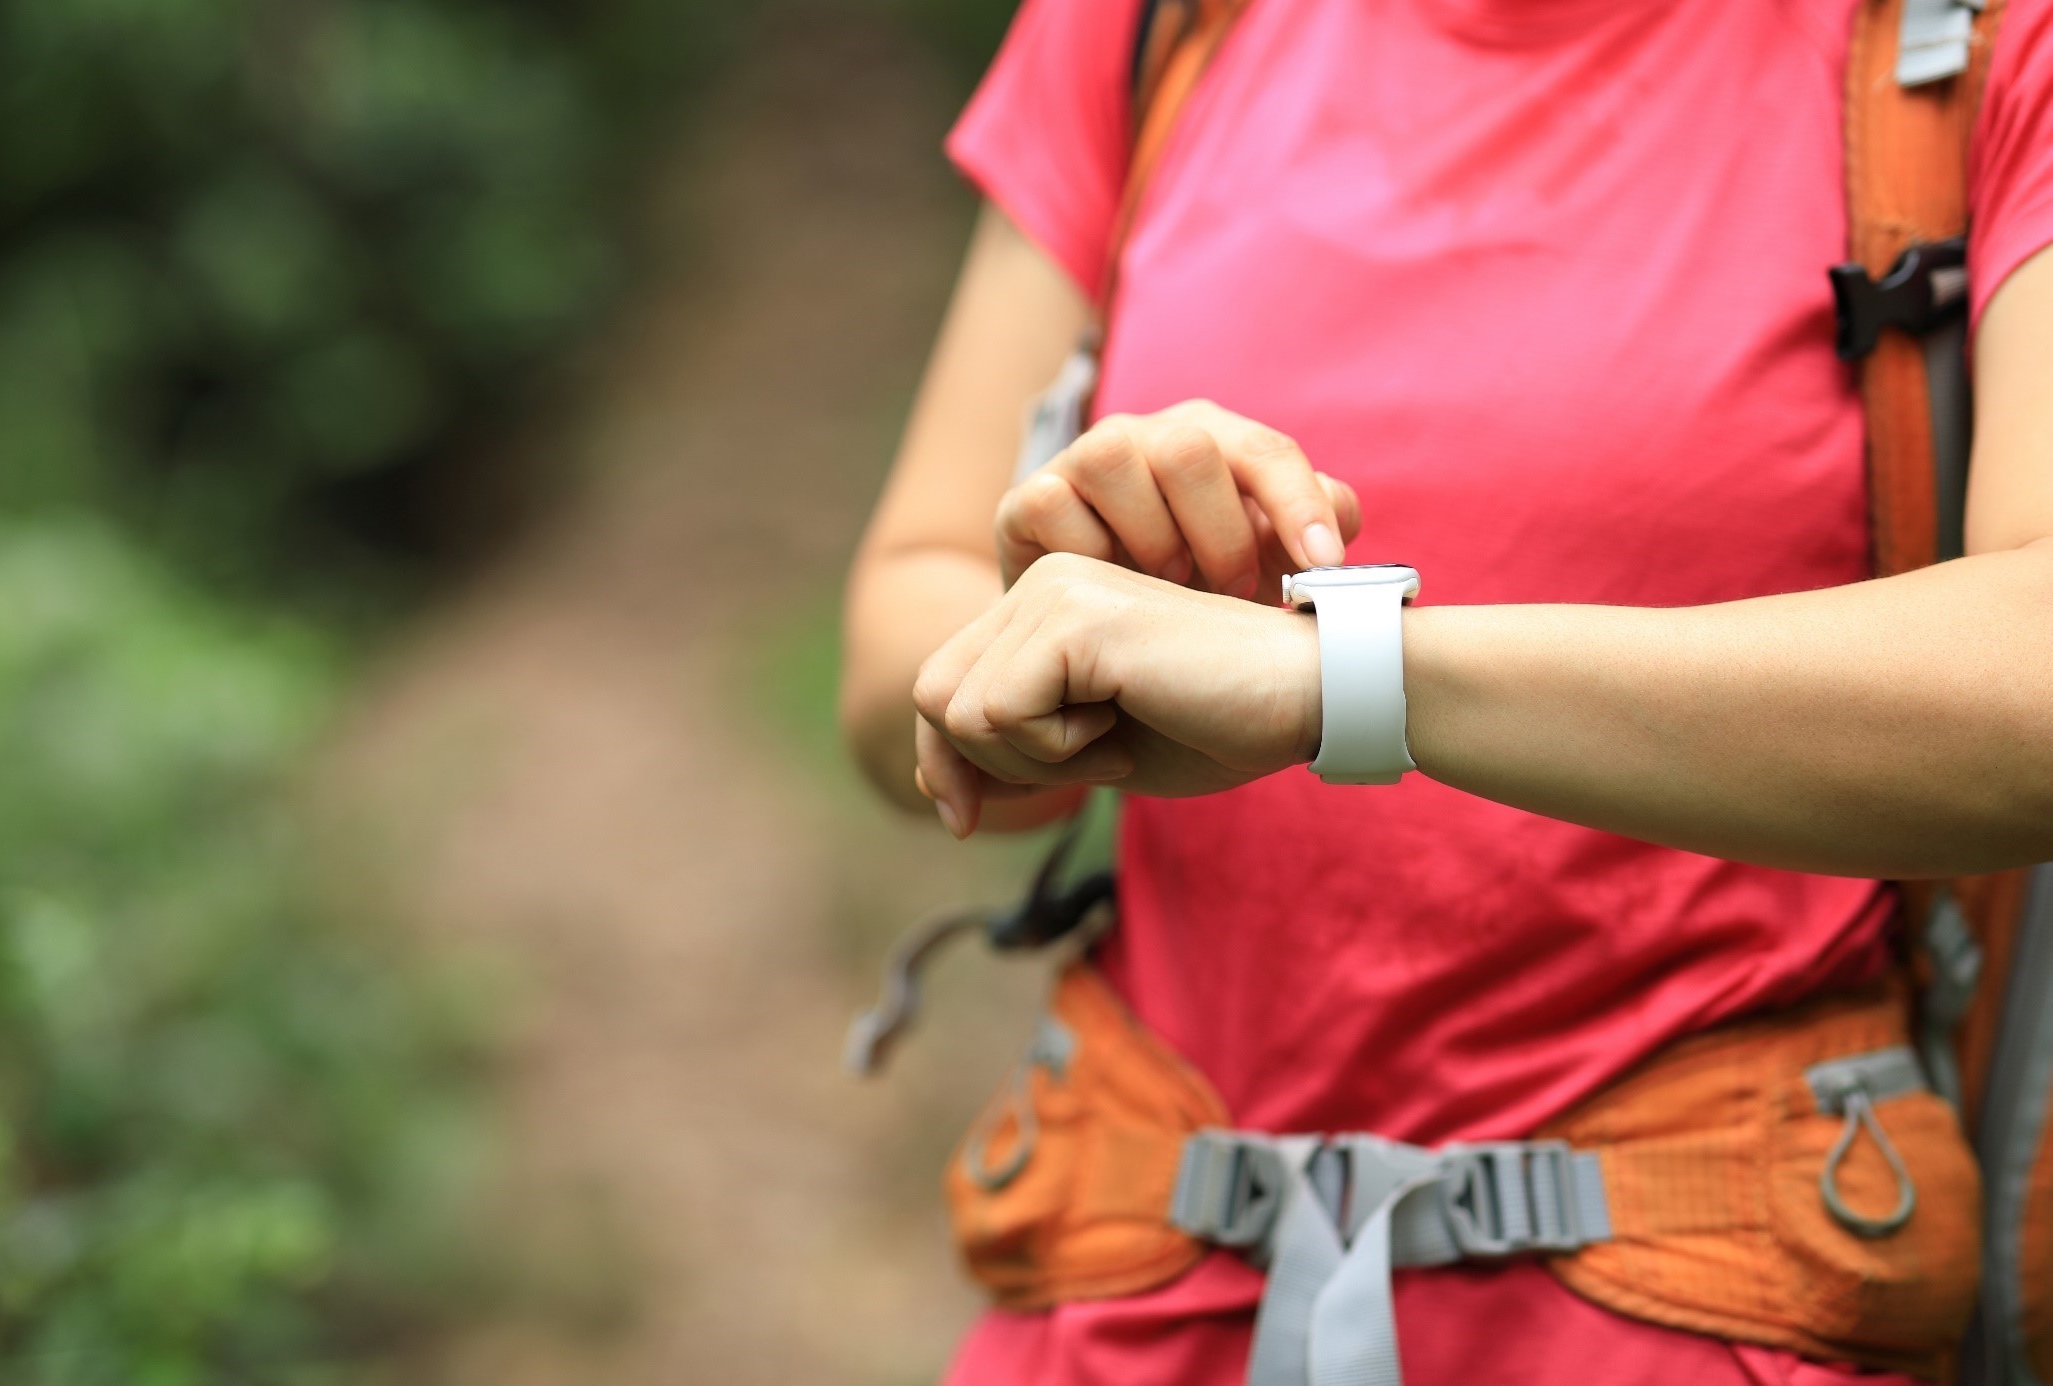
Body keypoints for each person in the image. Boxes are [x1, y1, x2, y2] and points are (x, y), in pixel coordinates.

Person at [838, 0, 2053, 1380]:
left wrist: (1342, 674)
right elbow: (905, 625)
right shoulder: (1149, 23)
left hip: (1711, 1309)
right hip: (1128, 1301)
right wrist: (1057, 662)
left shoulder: (1980, 35)